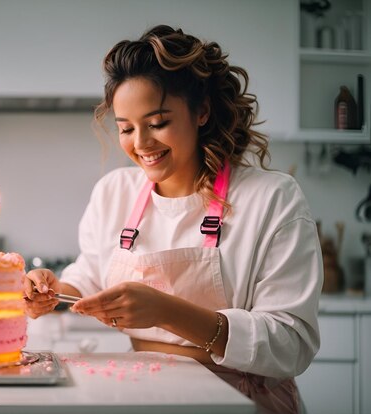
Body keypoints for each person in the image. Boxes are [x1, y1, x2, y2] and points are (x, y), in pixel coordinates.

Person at [24, 25, 322, 414]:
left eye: (158, 122)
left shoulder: (271, 198)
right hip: (141, 395)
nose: (141, 144)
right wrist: (55, 292)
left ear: (201, 111)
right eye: (126, 128)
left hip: (242, 401)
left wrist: (167, 311)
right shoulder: (115, 192)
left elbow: (291, 343)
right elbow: (91, 276)